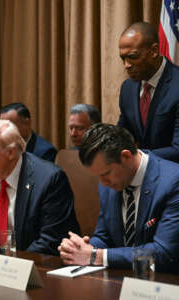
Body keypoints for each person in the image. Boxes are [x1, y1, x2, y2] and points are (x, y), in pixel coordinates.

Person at [58, 123, 179, 273]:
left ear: (126, 156)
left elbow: (163, 253)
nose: (103, 183)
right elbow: (105, 236)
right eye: (98, 177)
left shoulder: (173, 182)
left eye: (105, 174)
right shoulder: (108, 185)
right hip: (120, 281)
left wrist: (97, 256)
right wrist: (81, 249)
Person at [0, 119, 80, 254]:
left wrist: (12, 268)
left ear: (10, 152)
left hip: (37, 266)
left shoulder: (49, 179)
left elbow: (51, 240)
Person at [117, 22, 179, 163]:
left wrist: (136, 157)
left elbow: (177, 149)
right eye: (123, 58)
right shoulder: (128, 88)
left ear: (154, 51)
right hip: (142, 176)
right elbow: (124, 133)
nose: (126, 65)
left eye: (132, 56)